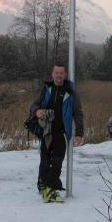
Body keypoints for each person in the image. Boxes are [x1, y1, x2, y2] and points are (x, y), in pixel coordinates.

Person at [29, 63, 84, 202]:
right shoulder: (47, 88)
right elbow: (34, 104)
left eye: (61, 73)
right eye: (56, 73)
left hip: (60, 133)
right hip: (46, 131)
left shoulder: (70, 91)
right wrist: (37, 111)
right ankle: (45, 188)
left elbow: (78, 113)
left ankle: (48, 188)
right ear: (52, 74)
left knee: (57, 162)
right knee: (45, 161)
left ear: (64, 75)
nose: (59, 75)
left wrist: (79, 133)